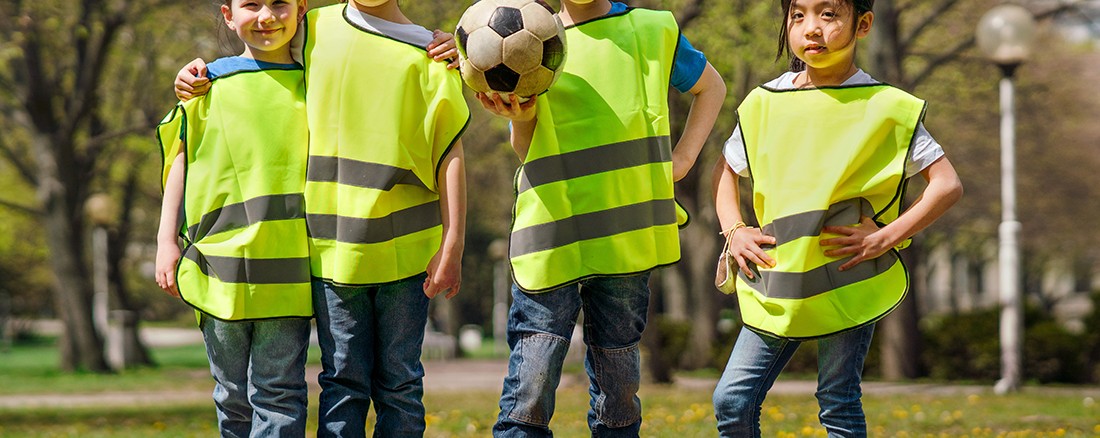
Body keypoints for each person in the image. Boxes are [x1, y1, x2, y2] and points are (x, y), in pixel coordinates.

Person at [173, 1, 469, 436]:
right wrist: (196, 73)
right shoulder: (312, 27)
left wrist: (454, 242)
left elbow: (449, 151)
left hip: (408, 253)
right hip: (331, 252)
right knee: (343, 382)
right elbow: (255, 50)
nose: (269, 13)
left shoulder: (431, 51)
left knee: (400, 385)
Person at [710, 0, 963, 436]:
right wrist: (734, 230)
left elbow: (946, 185)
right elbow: (726, 171)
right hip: (777, 279)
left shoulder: (887, 106)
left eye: (829, 14)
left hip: (848, 279)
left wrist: (884, 238)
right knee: (731, 399)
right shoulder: (762, 103)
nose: (812, 29)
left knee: (837, 402)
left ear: (862, 24)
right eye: (798, 15)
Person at [477, 0, 726, 436]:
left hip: (622, 244)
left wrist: (684, 158)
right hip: (550, 241)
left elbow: (712, 87)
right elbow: (527, 152)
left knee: (619, 390)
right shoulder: (528, 40)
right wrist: (522, 119)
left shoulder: (651, 30)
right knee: (530, 390)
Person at [155, 0, 313, 436]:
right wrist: (165, 241)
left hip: (290, 275)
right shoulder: (206, 84)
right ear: (228, 15)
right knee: (231, 396)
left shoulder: (317, 85)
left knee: (279, 393)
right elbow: (179, 162)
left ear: (301, 8)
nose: (266, 16)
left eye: (280, 3)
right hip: (217, 271)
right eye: (251, 5)